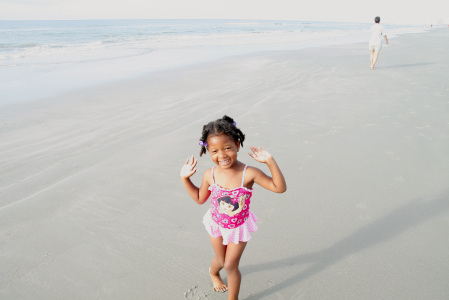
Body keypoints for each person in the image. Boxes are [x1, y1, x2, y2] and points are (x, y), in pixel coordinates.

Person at [180, 115, 287, 300]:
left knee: (230, 265)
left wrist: (270, 162)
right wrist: (185, 178)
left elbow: (279, 188)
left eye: (227, 148)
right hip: (216, 224)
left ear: (238, 144)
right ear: (207, 151)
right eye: (214, 151)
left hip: (238, 228)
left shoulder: (249, 173)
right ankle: (213, 274)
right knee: (220, 261)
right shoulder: (209, 174)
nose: (221, 155)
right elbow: (199, 198)